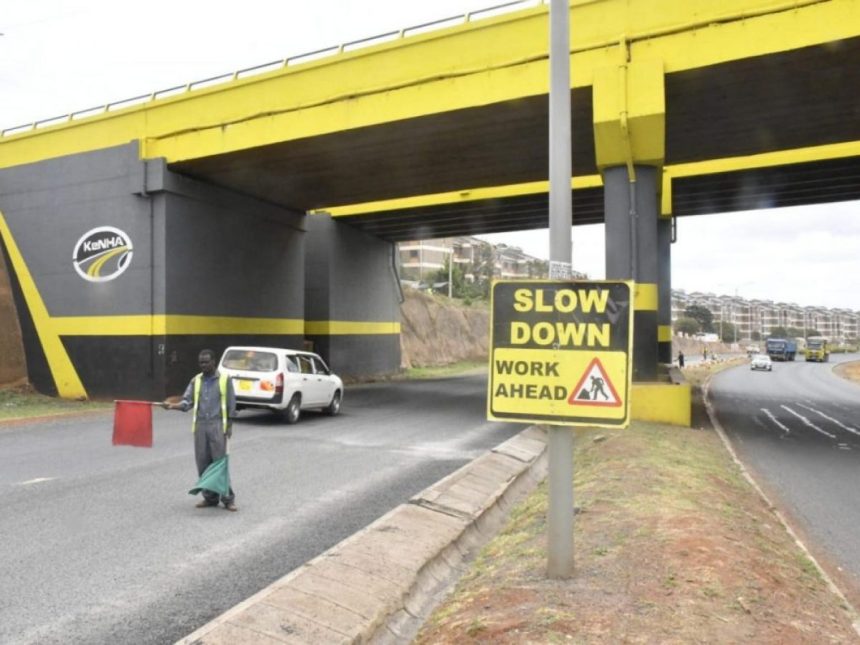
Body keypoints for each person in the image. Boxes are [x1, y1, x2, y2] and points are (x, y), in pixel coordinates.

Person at [164, 349, 238, 511]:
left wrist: (229, 426)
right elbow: (187, 403)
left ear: (213, 362)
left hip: (218, 425)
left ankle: (228, 499)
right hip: (201, 427)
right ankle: (210, 498)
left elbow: (231, 404)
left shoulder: (224, 379)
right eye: (201, 362)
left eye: (206, 362)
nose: (203, 365)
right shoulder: (196, 380)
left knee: (219, 464)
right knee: (203, 463)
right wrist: (172, 406)